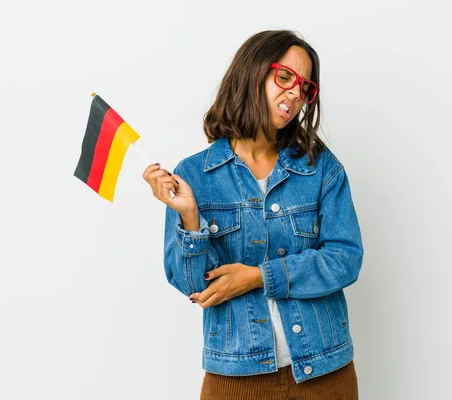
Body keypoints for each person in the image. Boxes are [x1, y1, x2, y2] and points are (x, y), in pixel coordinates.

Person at [142, 29, 363, 400]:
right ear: (252, 72)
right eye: (285, 77)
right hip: (235, 380)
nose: (295, 93)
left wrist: (260, 277)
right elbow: (194, 287)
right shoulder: (196, 175)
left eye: (305, 87)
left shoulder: (320, 168)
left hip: (325, 373)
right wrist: (191, 217)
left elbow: (345, 259)